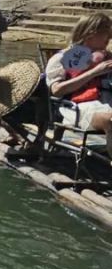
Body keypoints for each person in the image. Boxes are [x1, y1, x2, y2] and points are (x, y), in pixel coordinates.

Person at [44, 11, 112, 158]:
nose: (110, 37)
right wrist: (94, 72)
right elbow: (57, 90)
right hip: (79, 109)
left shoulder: (107, 57)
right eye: (106, 32)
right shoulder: (63, 58)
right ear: (90, 33)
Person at [0, 59, 50, 160]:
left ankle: (34, 141)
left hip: (45, 111)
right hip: (30, 107)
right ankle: (16, 136)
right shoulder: (16, 90)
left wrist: (40, 138)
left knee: (5, 114)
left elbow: (44, 112)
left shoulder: (40, 85)